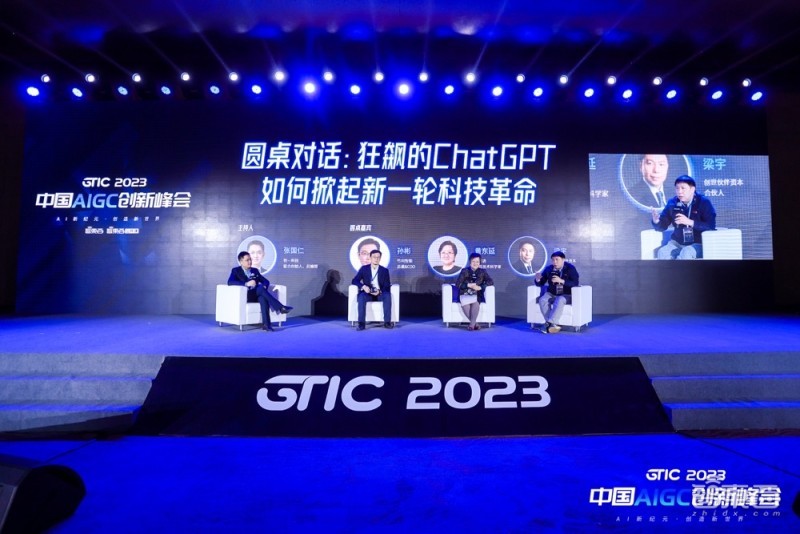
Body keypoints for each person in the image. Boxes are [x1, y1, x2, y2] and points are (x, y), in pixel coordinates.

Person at [650, 175, 716, 259]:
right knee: (662, 252)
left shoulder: (704, 202)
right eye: (677, 188)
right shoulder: (672, 203)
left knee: (687, 252)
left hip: (698, 243)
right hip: (677, 243)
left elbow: (710, 226)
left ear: (692, 189)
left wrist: (690, 222)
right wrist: (656, 221)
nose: (679, 192)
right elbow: (662, 226)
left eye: (683, 188)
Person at [228, 251, 292, 331]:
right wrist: (246, 283)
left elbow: (266, 281)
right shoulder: (236, 270)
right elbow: (230, 282)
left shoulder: (255, 270)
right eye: (247, 260)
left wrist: (264, 286)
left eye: (250, 259)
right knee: (261, 292)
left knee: (262, 296)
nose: (250, 262)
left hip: (257, 294)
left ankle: (266, 325)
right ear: (241, 261)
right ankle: (280, 307)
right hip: (245, 296)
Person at [534, 251, 579, 334]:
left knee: (560, 299)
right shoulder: (549, 269)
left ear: (563, 260)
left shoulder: (570, 268)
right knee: (542, 300)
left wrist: (561, 281)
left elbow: (575, 283)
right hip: (552, 293)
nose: (554, 262)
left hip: (566, 294)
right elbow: (541, 283)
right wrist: (538, 279)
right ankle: (552, 325)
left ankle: (548, 324)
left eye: (557, 259)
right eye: (553, 260)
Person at [351, 249, 393, 330]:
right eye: (374, 257)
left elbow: (387, 285)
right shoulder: (364, 269)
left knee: (387, 295)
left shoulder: (384, 270)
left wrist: (379, 291)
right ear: (370, 257)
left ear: (380, 258)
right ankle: (361, 324)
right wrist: (363, 286)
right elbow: (354, 280)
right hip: (368, 293)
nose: (376, 259)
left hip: (380, 294)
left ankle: (387, 322)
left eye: (378, 257)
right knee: (361, 296)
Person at [454, 252, 494, 331]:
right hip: (465, 293)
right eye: (473, 261)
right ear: (470, 262)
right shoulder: (464, 271)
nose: (475, 263)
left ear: (480, 263)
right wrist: (468, 285)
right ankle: (475, 324)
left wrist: (480, 287)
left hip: (477, 294)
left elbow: (490, 281)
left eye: (477, 262)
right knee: (466, 303)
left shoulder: (483, 271)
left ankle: (471, 325)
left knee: (475, 303)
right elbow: (458, 284)